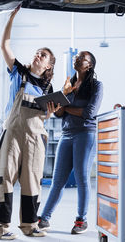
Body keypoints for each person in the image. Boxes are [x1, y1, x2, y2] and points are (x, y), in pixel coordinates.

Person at [0, 5, 60, 239]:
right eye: (37, 52)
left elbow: (44, 114)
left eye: (43, 55)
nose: (37, 55)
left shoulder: (47, 88)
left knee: (32, 180)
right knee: (5, 177)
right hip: (13, 131)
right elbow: (4, 46)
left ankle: (30, 225)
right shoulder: (19, 72)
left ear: (48, 65)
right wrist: (11, 18)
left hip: (35, 135)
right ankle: (0, 227)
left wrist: (49, 113)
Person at [38, 51, 103, 234]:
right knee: (57, 181)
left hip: (85, 134)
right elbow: (59, 114)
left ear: (89, 65)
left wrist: (65, 107)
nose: (77, 59)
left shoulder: (96, 86)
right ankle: (44, 218)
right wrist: (59, 103)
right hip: (66, 134)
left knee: (82, 178)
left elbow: (89, 113)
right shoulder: (69, 85)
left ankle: (81, 220)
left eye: (82, 58)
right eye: (76, 57)